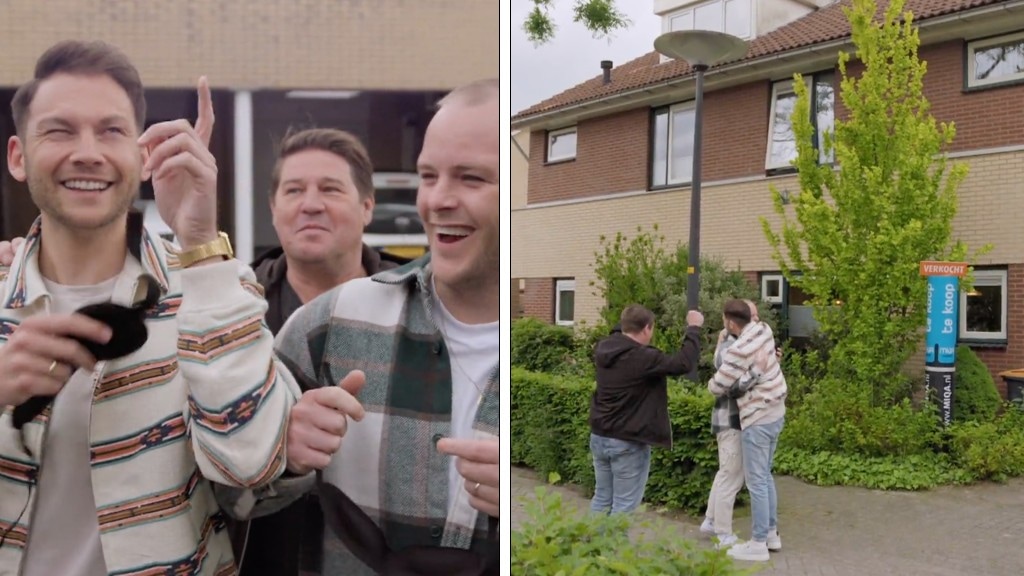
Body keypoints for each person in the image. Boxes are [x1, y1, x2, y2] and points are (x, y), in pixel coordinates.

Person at [0, 40, 298, 574]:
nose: (87, 152)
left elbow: (251, 463)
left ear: (143, 157)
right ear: (18, 157)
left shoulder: (217, 287)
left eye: (111, 131)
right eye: (59, 131)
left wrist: (200, 239)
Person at [221, 78, 500, 575]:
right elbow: (224, 487)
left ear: (367, 207)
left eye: (472, 178)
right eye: (428, 176)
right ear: (272, 208)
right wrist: (279, 451)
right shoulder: (269, 321)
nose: (439, 198)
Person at [229, 128, 407, 576]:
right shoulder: (230, 314)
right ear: (274, 209)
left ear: (367, 207)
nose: (311, 204)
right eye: (294, 190)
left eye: (330, 189)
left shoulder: (420, 310)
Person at [588, 304, 704, 514]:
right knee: (624, 506)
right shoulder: (643, 357)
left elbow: (621, 331)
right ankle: (615, 538)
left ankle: (591, 537)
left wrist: (630, 320)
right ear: (647, 328)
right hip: (627, 440)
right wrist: (694, 328)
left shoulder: (604, 348)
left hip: (600, 436)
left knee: (602, 498)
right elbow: (683, 364)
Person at [708, 299, 787, 562]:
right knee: (764, 476)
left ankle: (758, 543)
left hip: (757, 418)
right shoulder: (764, 330)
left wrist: (751, 374)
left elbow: (716, 387)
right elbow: (758, 367)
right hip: (776, 412)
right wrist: (758, 370)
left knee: (756, 483)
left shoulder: (737, 349)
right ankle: (771, 534)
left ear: (731, 322)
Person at [700, 299, 764, 548]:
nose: (755, 321)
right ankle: (723, 533)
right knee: (732, 476)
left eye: (756, 316)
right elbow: (733, 385)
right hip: (731, 419)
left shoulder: (737, 343)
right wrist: (758, 371)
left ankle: (711, 520)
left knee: (727, 472)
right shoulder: (731, 347)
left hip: (732, 418)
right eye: (752, 316)